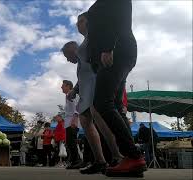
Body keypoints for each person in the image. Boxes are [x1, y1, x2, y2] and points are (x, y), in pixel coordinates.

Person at [85, 0, 146, 176]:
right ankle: (132, 159)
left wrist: (108, 46)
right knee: (116, 105)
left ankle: (133, 156)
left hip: (116, 50)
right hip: (116, 51)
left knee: (102, 102)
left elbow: (120, 15)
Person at [61, 12, 124, 174]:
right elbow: (83, 76)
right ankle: (100, 160)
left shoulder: (89, 43)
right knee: (86, 121)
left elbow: (100, 65)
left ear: (72, 50)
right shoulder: (82, 55)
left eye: (67, 56)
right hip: (86, 95)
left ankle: (117, 156)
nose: (68, 60)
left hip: (96, 90)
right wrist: (75, 90)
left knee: (99, 120)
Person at [60, 80, 81, 169]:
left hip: (72, 122)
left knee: (72, 142)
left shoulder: (73, 94)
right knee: (69, 142)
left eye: (63, 86)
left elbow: (77, 106)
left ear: (68, 86)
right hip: (69, 122)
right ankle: (74, 160)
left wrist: (75, 119)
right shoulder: (67, 96)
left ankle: (77, 161)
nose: (61, 87)